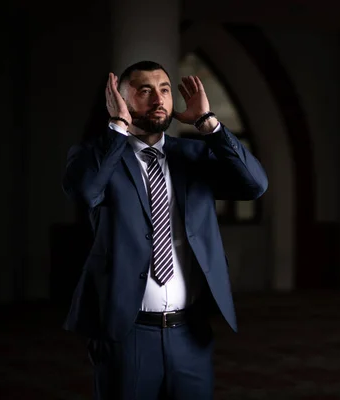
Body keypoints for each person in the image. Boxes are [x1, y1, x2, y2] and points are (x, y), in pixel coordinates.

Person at [62, 60, 268, 399]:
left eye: (165, 90)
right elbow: (84, 192)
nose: (158, 100)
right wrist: (117, 126)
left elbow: (255, 185)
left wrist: (209, 124)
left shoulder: (194, 154)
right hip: (126, 335)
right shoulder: (95, 156)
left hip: (190, 334)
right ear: (120, 99)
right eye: (144, 91)